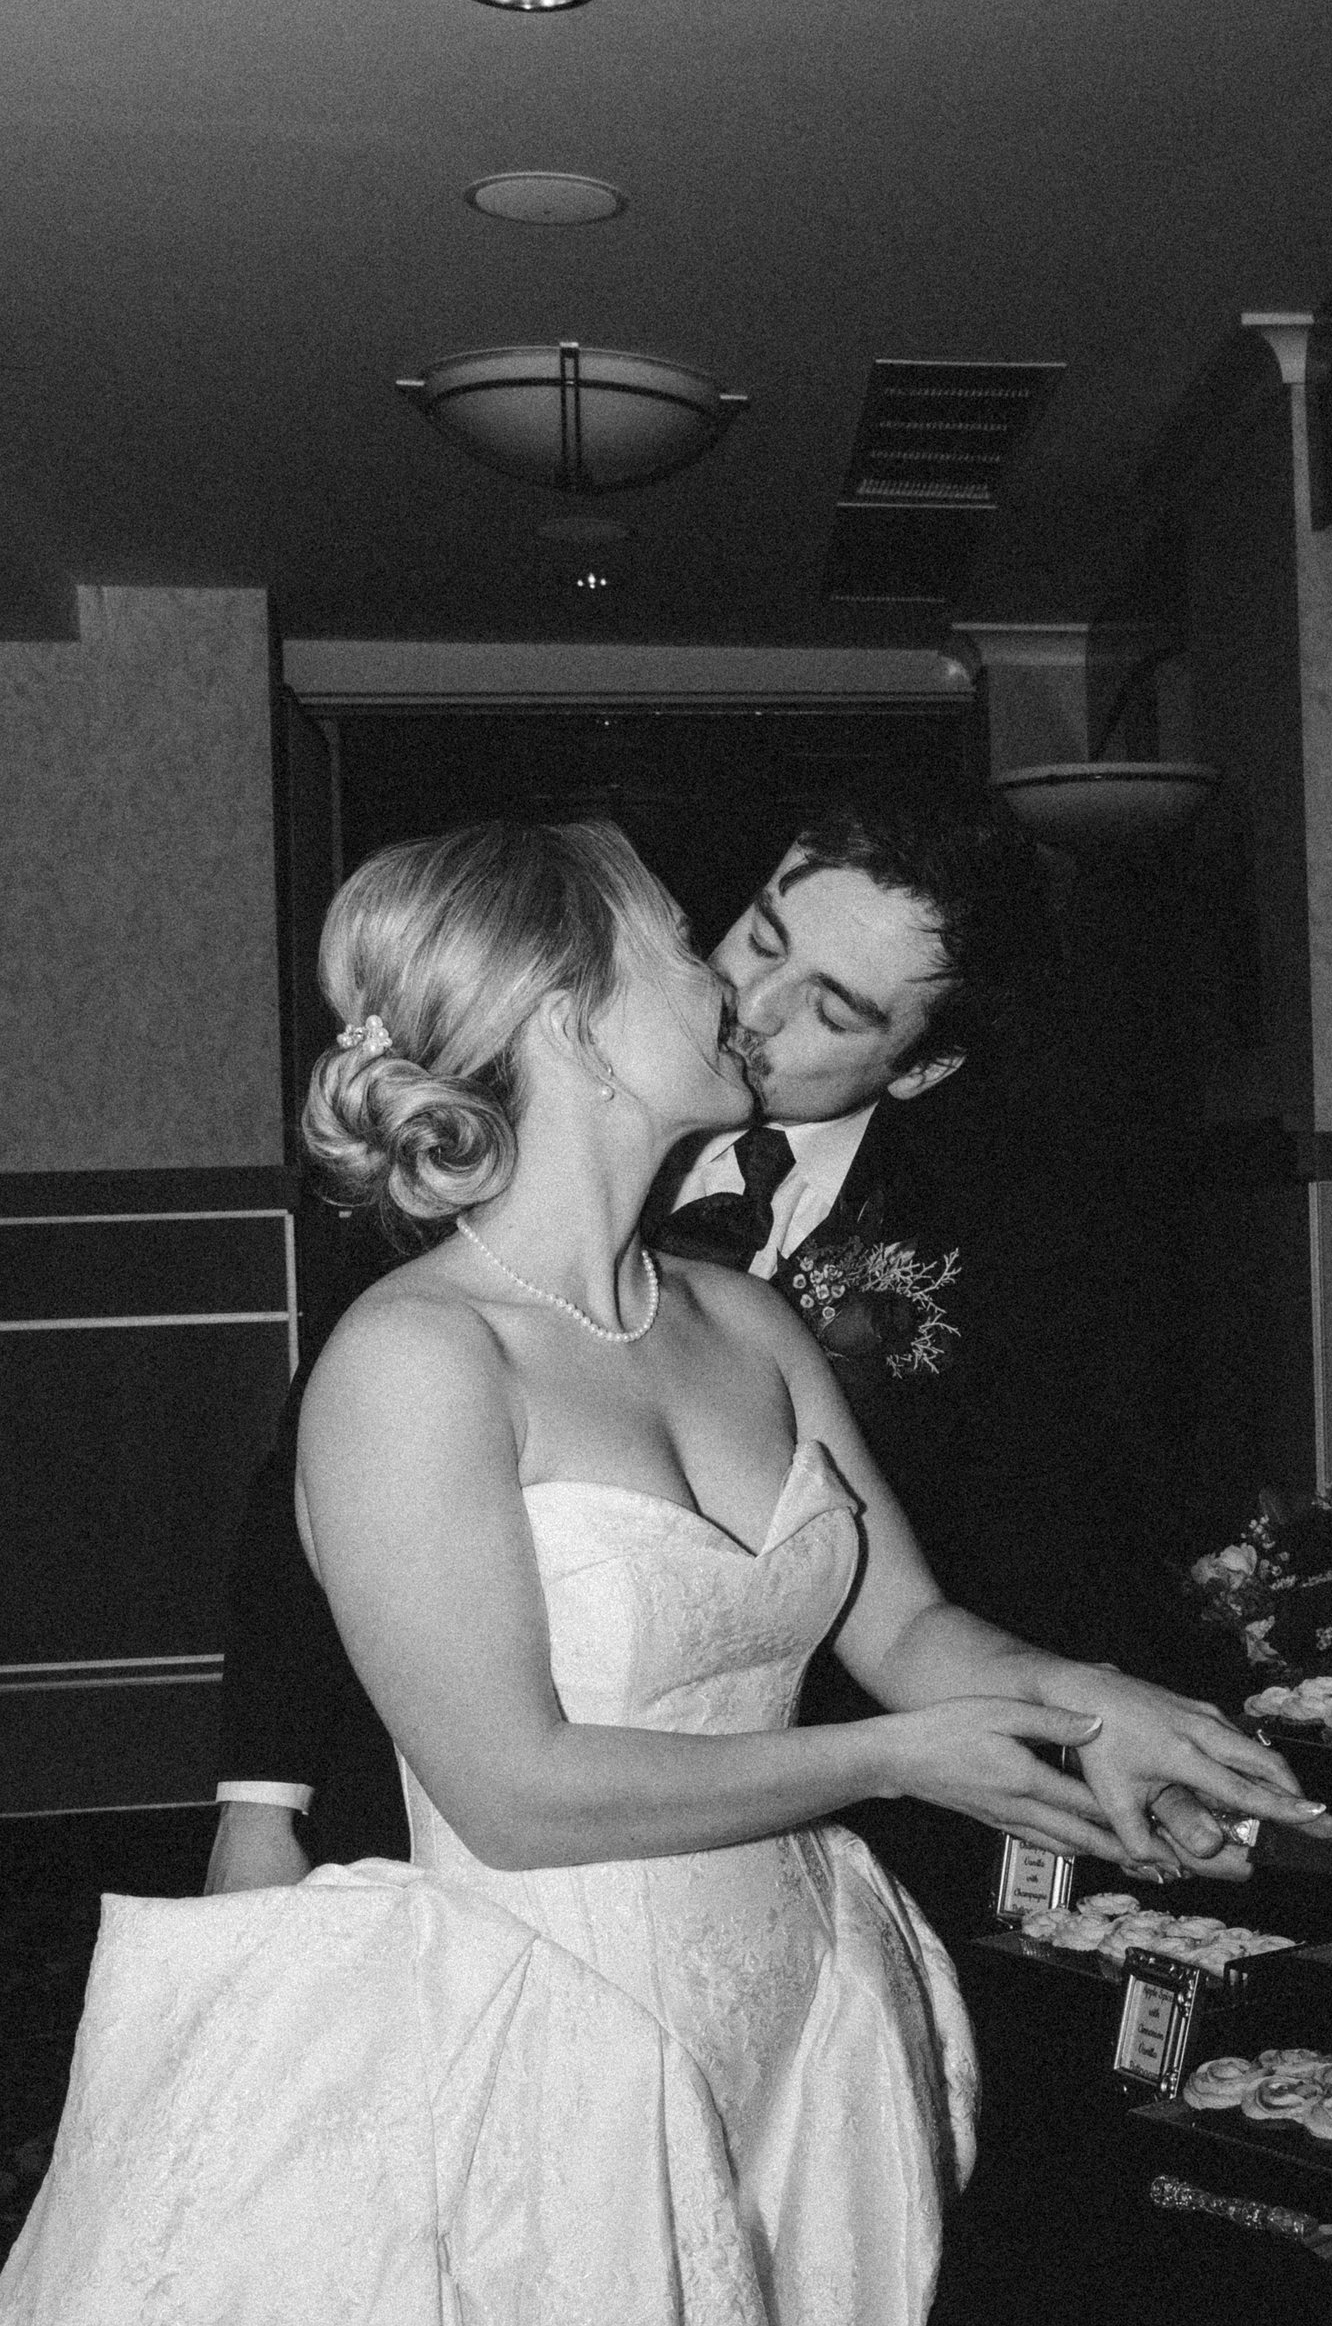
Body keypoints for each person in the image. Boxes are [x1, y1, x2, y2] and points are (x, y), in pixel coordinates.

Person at [0, 817, 1315, 2326]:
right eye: (676, 943)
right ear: (567, 1024)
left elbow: (905, 1617)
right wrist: (905, 1755)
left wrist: (1119, 1710)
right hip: (555, 2075)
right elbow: (509, 1782)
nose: (726, 969)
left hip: (801, 2052)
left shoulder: (745, 1315)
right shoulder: (417, 1367)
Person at [207, 788, 1164, 1897]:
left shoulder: (891, 1276)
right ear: (571, 1023)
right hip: (499, 1883)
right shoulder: (429, 1285)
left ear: (919, 1067)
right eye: (746, 939)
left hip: (816, 1874)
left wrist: (1096, 1716)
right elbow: (307, 1511)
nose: (744, 1001)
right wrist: (261, 1803)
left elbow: (951, 1597)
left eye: (835, 1010)